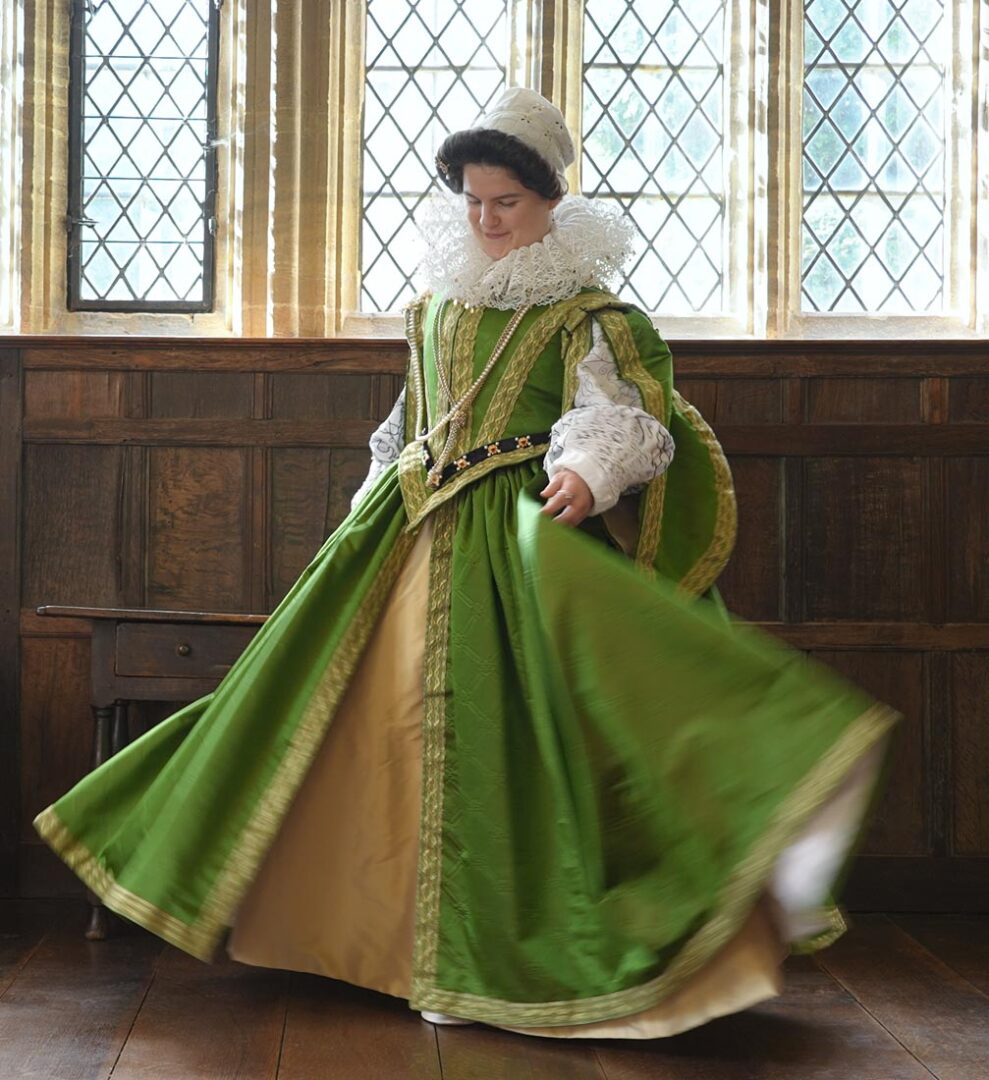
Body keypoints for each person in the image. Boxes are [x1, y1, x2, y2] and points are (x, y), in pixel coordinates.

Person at [36, 88, 894, 1039]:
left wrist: (584, 470)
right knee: (356, 731)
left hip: (516, 538)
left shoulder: (589, 313)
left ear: (550, 203)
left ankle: (489, 954)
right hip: (409, 533)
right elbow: (408, 422)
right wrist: (369, 507)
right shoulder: (437, 306)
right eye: (474, 202)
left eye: (507, 203)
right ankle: (370, 937)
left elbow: (623, 416)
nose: (486, 220)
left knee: (493, 747)